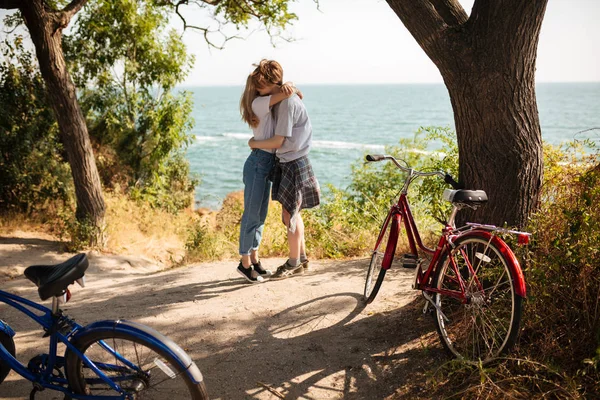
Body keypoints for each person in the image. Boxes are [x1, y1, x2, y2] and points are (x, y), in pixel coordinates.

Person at [248, 69, 320, 280]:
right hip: (293, 161)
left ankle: (293, 262)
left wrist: (254, 144)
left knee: (290, 215)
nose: (258, 91)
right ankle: (302, 258)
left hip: (293, 162)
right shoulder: (286, 97)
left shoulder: (287, 103)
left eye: (260, 86)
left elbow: (278, 140)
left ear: (271, 83)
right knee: (292, 214)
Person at [237, 60, 301, 283]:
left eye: (261, 85)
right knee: (251, 214)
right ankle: (244, 263)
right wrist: (289, 87)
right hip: (258, 162)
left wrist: (289, 87)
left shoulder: (269, 101)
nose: (259, 90)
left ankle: (255, 259)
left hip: (268, 162)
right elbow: (285, 94)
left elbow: (287, 94)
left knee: (260, 215)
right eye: (258, 87)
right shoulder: (259, 102)